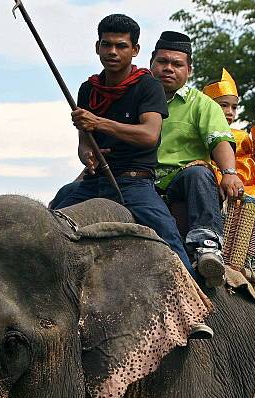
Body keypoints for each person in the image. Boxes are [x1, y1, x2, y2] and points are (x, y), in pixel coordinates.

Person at [53, 15, 194, 277]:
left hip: (134, 182)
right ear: (97, 47)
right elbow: (85, 141)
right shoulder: (88, 89)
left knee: (167, 234)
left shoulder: (148, 86)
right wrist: (88, 155)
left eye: (121, 46)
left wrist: (99, 122)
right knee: (51, 220)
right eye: (107, 45)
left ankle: (198, 304)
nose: (113, 52)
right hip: (94, 182)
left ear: (135, 50)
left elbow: (149, 135)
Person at [150, 31, 244, 287]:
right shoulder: (137, 96)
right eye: (163, 62)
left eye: (177, 64)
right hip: (140, 179)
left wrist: (229, 172)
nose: (168, 68)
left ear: (188, 70)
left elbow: (219, 141)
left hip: (181, 180)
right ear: (151, 63)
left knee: (199, 173)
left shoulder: (203, 105)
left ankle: (207, 246)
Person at [203, 68, 252, 157]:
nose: (230, 112)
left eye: (234, 107)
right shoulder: (194, 136)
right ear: (206, 107)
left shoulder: (242, 139)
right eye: (223, 105)